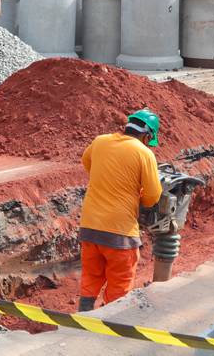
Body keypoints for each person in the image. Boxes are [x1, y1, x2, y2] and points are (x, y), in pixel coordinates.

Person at [77, 108, 163, 312]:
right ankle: (111, 325)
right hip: (120, 233)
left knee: (91, 276)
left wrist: (107, 179)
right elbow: (152, 194)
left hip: (89, 227)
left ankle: (83, 317)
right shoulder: (144, 153)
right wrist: (142, 202)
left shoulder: (100, 141)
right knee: (119, 283)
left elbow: (86, 162)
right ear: (147, 135)